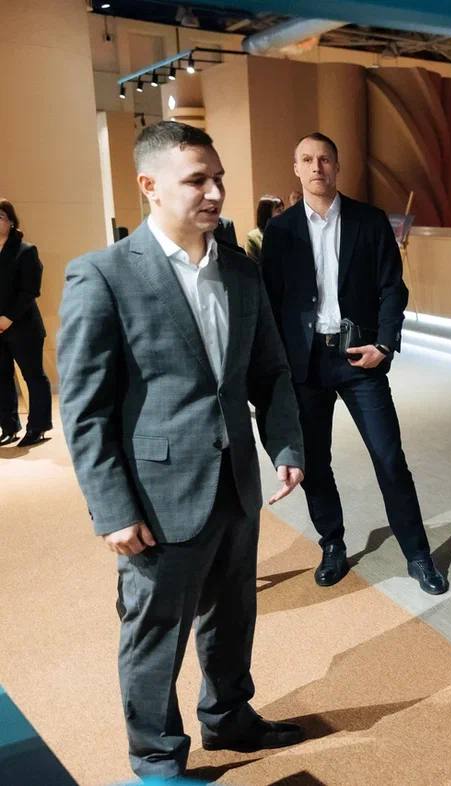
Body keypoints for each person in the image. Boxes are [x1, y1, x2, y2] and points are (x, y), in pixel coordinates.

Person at [57, 121, 307, 779]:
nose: (215, 192)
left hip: (234, 482)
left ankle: (227, 717)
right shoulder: (103, 275)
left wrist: (285, 444)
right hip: (157, 496)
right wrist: (112, 509)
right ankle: (156, 755)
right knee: (155, 632)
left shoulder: (241, 272)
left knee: (233, 614)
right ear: (150, 185)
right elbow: (85, 409)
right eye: (197, 179)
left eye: (218, 177)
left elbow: (269, 372)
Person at [261, 131, 447, 594]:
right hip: (305, 364)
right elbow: (271, 301)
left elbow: (392, 288)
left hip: (360, 358)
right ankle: (332, 545)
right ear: (296, 168)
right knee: (315, 463)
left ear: (337, 165)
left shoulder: (369, 220)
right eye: (308, 159)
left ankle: (418, 554)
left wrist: (384, 344)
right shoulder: (280, 231)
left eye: (325, 158)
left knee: (389, 458)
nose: (317, 167)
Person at [0, 198, 52, 447]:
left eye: (0, 217)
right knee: (1, 378)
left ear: (11, 222)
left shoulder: (26, 250)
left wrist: (8, 318)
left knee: (33, 376)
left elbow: (30, 290)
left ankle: (38, 427)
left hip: (23, 326)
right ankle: (9, 427)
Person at [245, 194, 284, 263]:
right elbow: (252, 265)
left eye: (283, 210)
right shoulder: (253, 237)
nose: (283, 214)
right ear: (266, 213)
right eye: (279, 210)